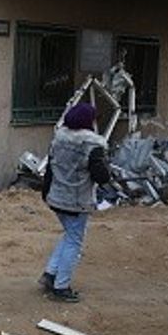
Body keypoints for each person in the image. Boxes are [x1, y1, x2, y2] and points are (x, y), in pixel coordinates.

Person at [38, 102, 111, 303]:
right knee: (74, 241)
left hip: (56, 197)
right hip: (77, 201)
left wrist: (46, 193)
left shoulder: (58, 139)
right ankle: (61, 286)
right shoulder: (92, 145)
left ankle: (50, 274)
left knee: (69, 236)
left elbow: (50, 169)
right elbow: (102, 176)